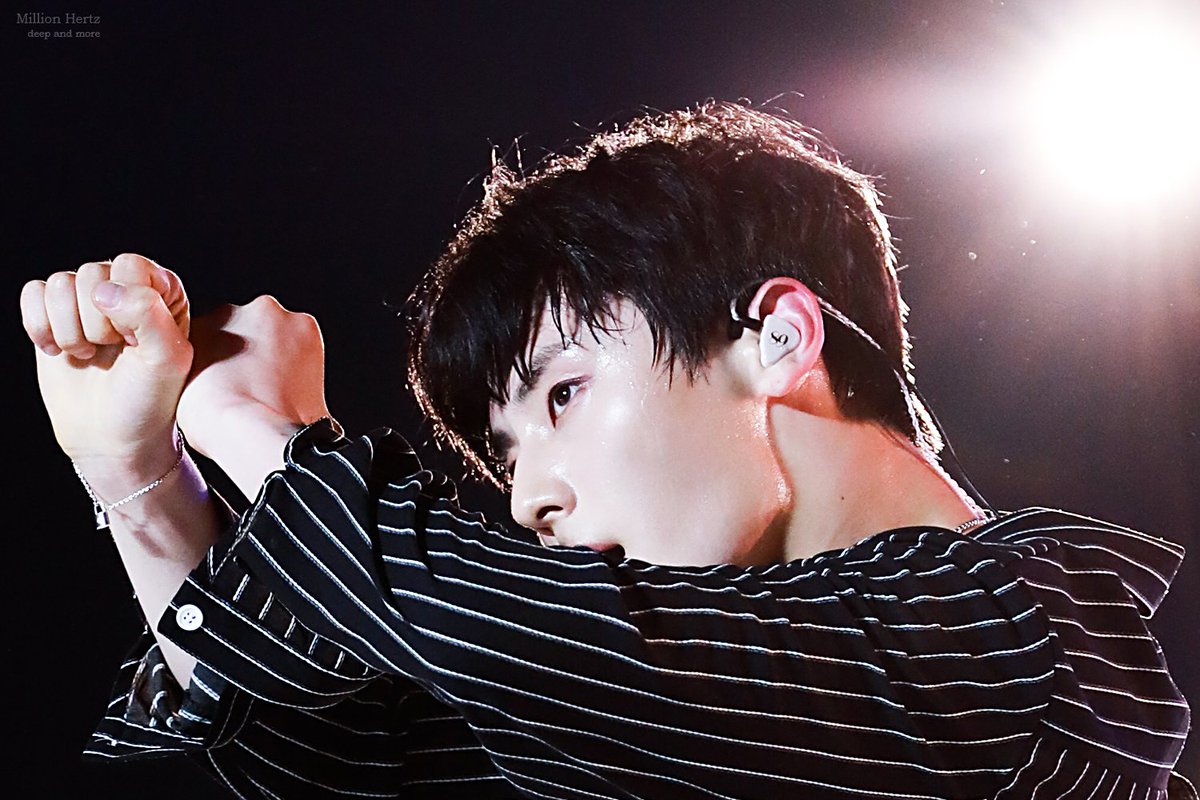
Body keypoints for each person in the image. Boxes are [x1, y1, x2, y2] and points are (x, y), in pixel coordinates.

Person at [22, 102, 1191, 798]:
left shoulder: (1032, 625)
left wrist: (258, 429)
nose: (529, 496)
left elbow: (521, 640)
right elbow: (357, 764)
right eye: (506, 452)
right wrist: (140, 475)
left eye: (565, 392)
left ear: (779, 337)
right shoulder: (715, 713)